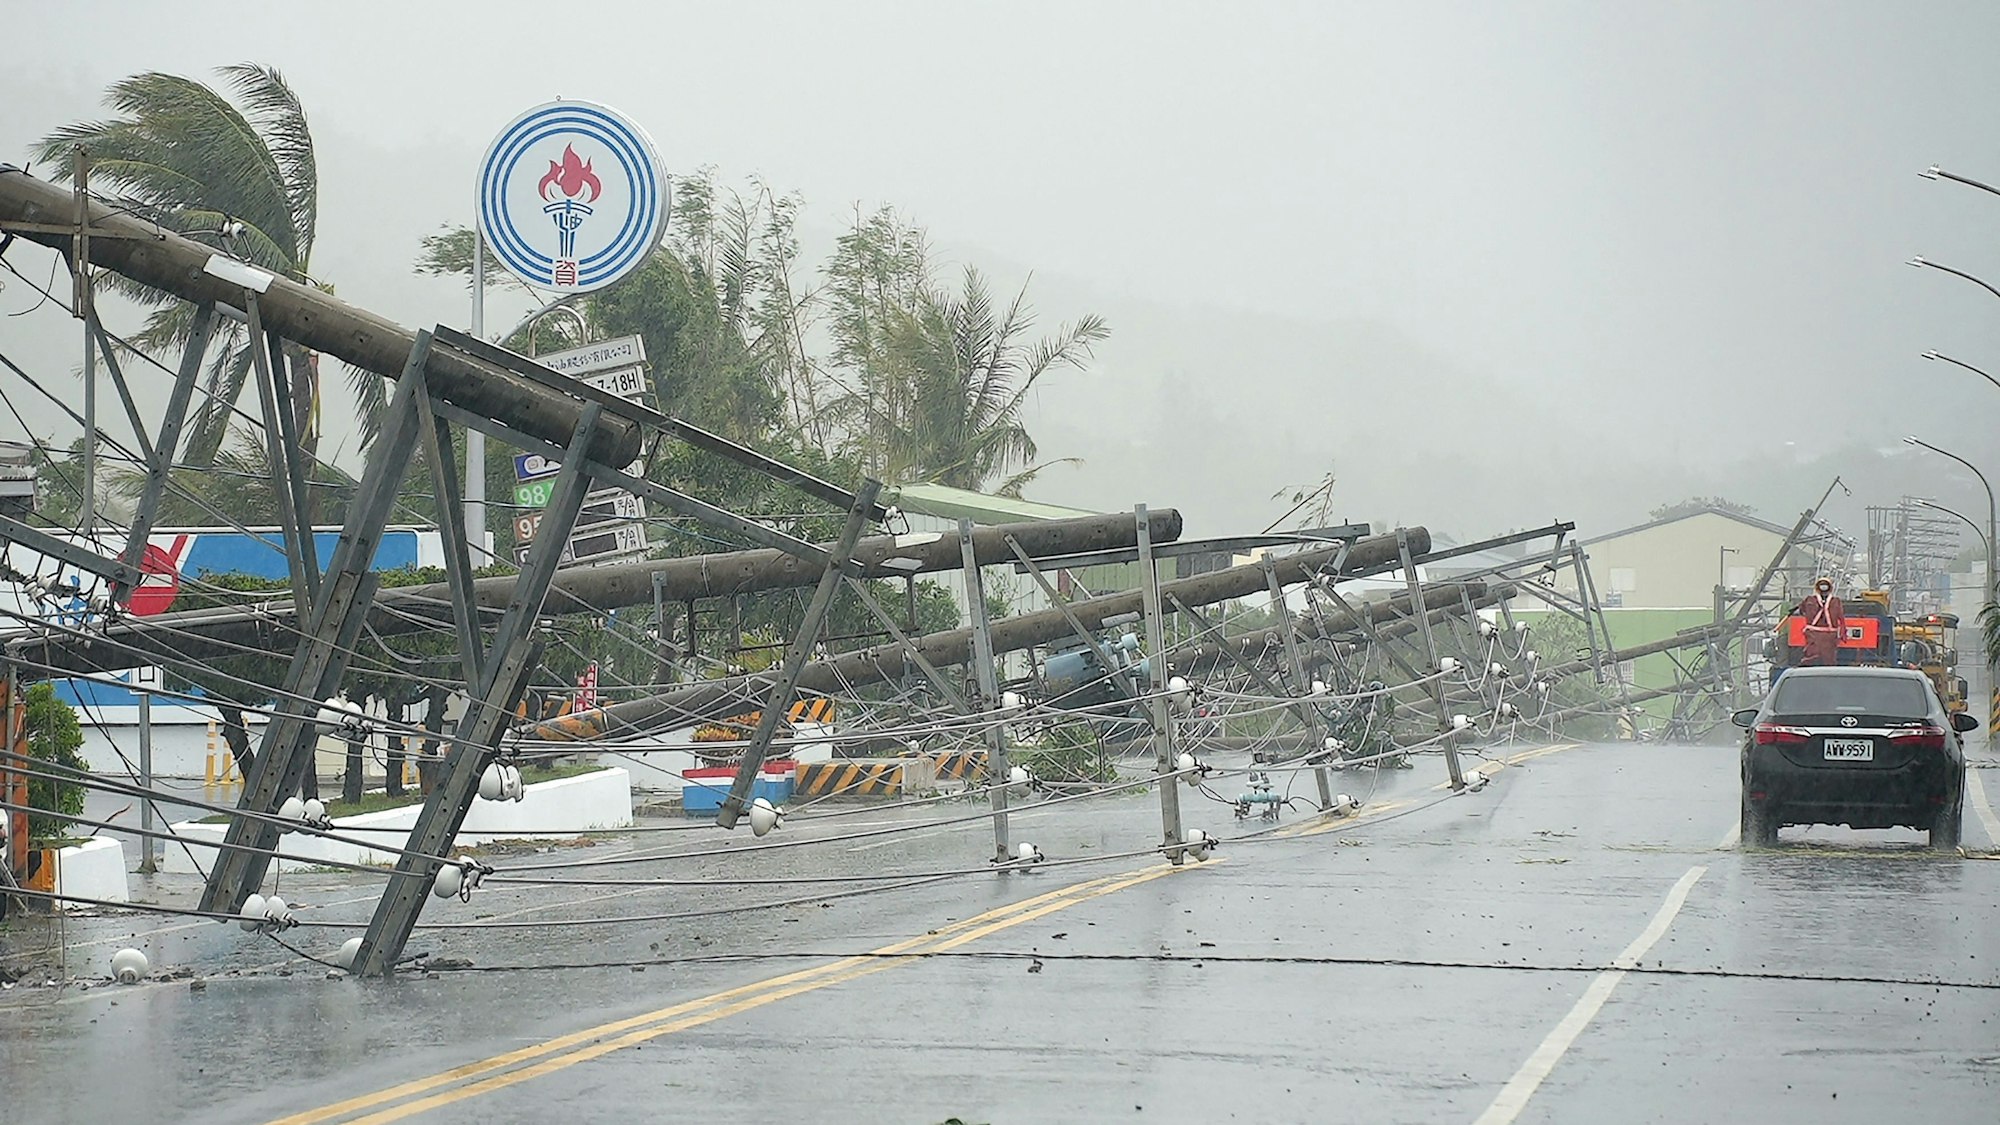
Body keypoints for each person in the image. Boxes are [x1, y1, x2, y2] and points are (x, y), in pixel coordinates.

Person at [1795, 577, 1844, 667]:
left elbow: (1841, 618)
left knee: (1829, 658)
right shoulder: (1809, 600)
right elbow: (1801, 610)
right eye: (1821, 585)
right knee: (1812, 654)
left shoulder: (1835, 601)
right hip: (1813, 634)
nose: (1823, 587)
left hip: (1829, 635)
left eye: (1825, 585)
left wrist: (1843, 632)